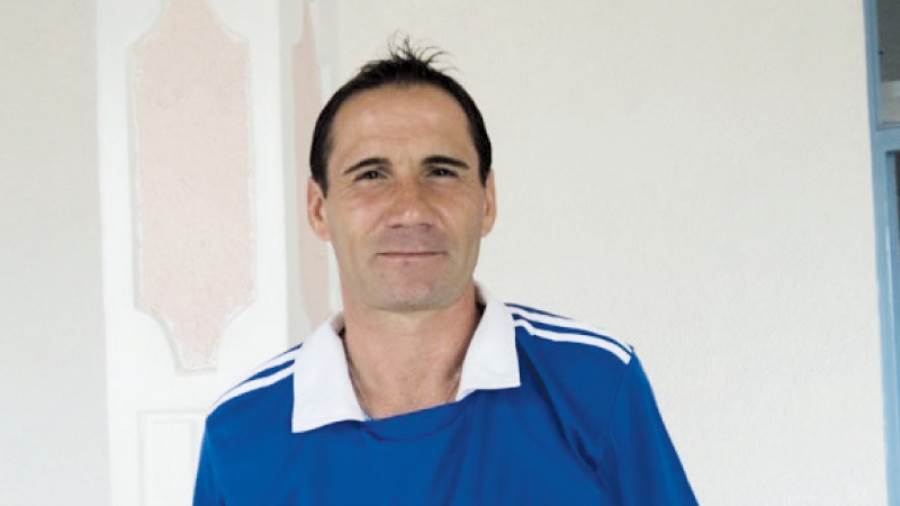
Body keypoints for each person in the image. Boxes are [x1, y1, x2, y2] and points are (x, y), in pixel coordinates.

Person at [193, 41, 697, 505]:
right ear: (318, 208)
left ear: (487, 200)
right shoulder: (241, 434)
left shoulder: (596, 384)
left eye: (441, 171)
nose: (410, 209)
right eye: (371, 175)